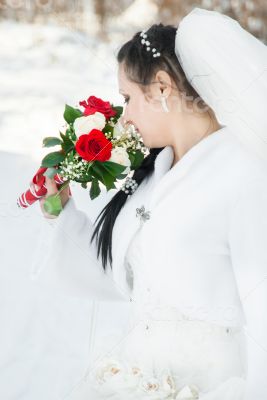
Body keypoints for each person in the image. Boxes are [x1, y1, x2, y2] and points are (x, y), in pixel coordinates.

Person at [34, 7, 267, 400]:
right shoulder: (155, 173)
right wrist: (60, 212)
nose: (124, 117)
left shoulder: (244, 172)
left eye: (127, 98)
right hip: (138, 377)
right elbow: (129, 275)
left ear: (161, 88)